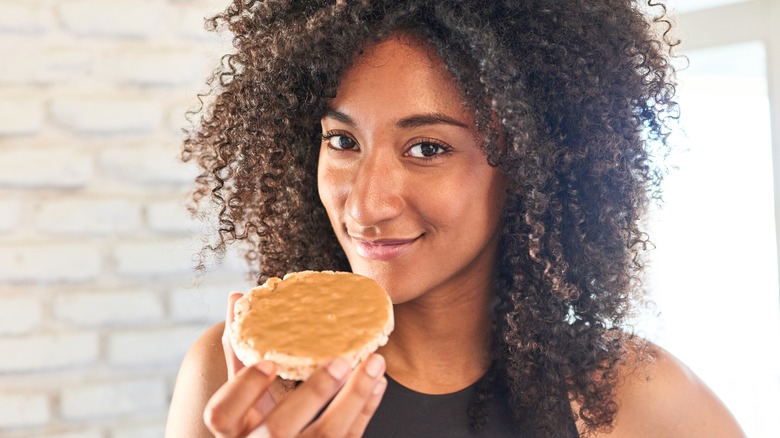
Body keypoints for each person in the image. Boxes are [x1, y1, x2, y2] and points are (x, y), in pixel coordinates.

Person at [165, 1, 745, 437]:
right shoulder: (235, 382)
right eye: (342, 140)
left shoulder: (635, 401)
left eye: (427, 148)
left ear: (533, 163)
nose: (366, 205)